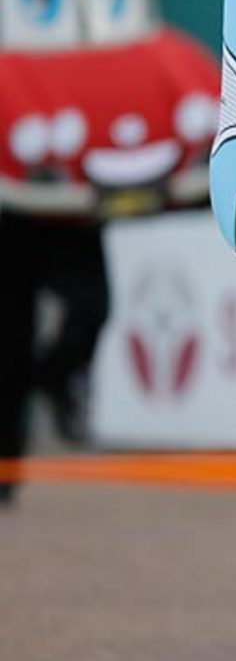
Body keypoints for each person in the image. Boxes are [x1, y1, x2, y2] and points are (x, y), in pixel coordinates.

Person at [0, 213, 109, 504]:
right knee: (11, 345)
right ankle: (5, 468)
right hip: (13, 217)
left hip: (74, 212)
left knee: (93, 307)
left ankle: (52, 378)